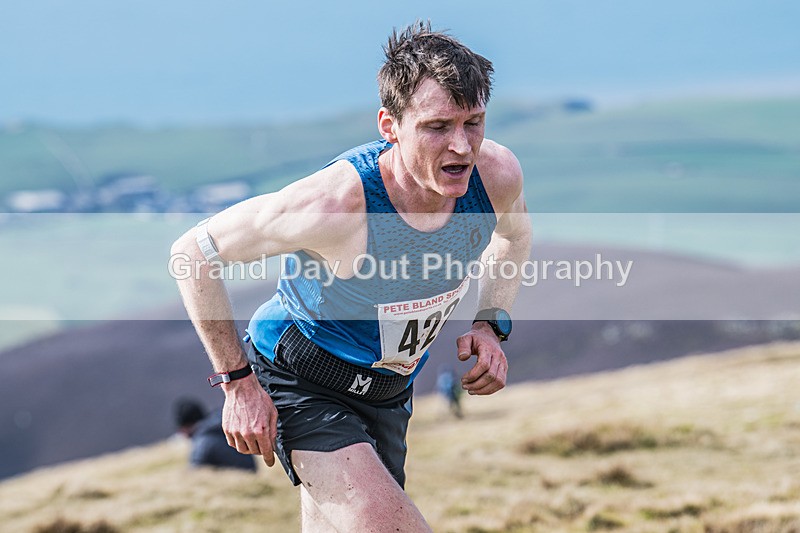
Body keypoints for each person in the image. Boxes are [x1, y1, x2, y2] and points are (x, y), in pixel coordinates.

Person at [171, 21, 531, 532]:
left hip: (387, 392)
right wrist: (237, 386)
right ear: (390, 125)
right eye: (437, 127)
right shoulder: (335, 205)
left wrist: (490, 323)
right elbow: (192, 253)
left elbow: (512, 238)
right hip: (302, 378)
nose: (462, 146)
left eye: (474, 122)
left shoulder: (496, 178)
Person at [173, 397, 257, 472]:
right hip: (251, 472)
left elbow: (195, 472)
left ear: (185, 426)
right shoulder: (222, 422)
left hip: (237, 483)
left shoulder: (203, 442)